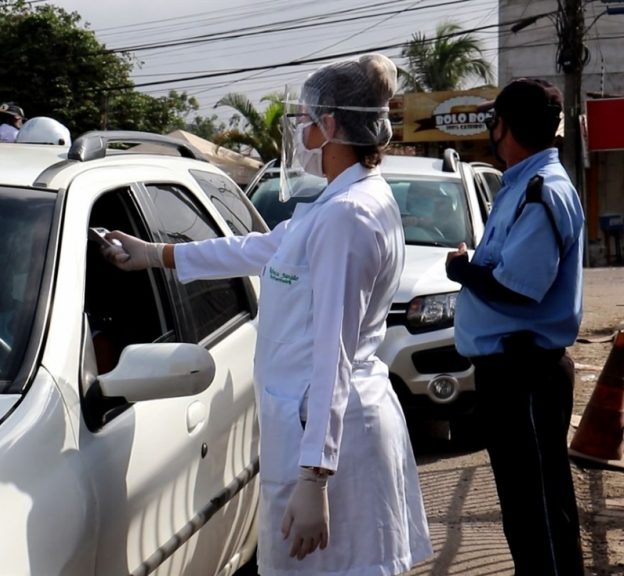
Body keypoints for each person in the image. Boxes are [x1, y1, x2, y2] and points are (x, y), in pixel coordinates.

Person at [103, 54, 431, 575]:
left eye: (305, 120)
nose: (299, 132)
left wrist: (315, 477)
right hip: (317, 429)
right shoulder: (339, 204)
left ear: (330, 126)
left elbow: (333, 352)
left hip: (329, 443)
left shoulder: (348, 216)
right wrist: (156, 254)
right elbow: (260, 248)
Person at [445, 78, 585, 575]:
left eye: (493, 120)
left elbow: (519, 288)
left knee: (540, 512)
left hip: (526, 372)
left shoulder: (541, 191)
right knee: (526, 511)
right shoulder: (522, 184)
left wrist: (462, 271)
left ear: (504, 126)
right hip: (512, 372)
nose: (491, 130)